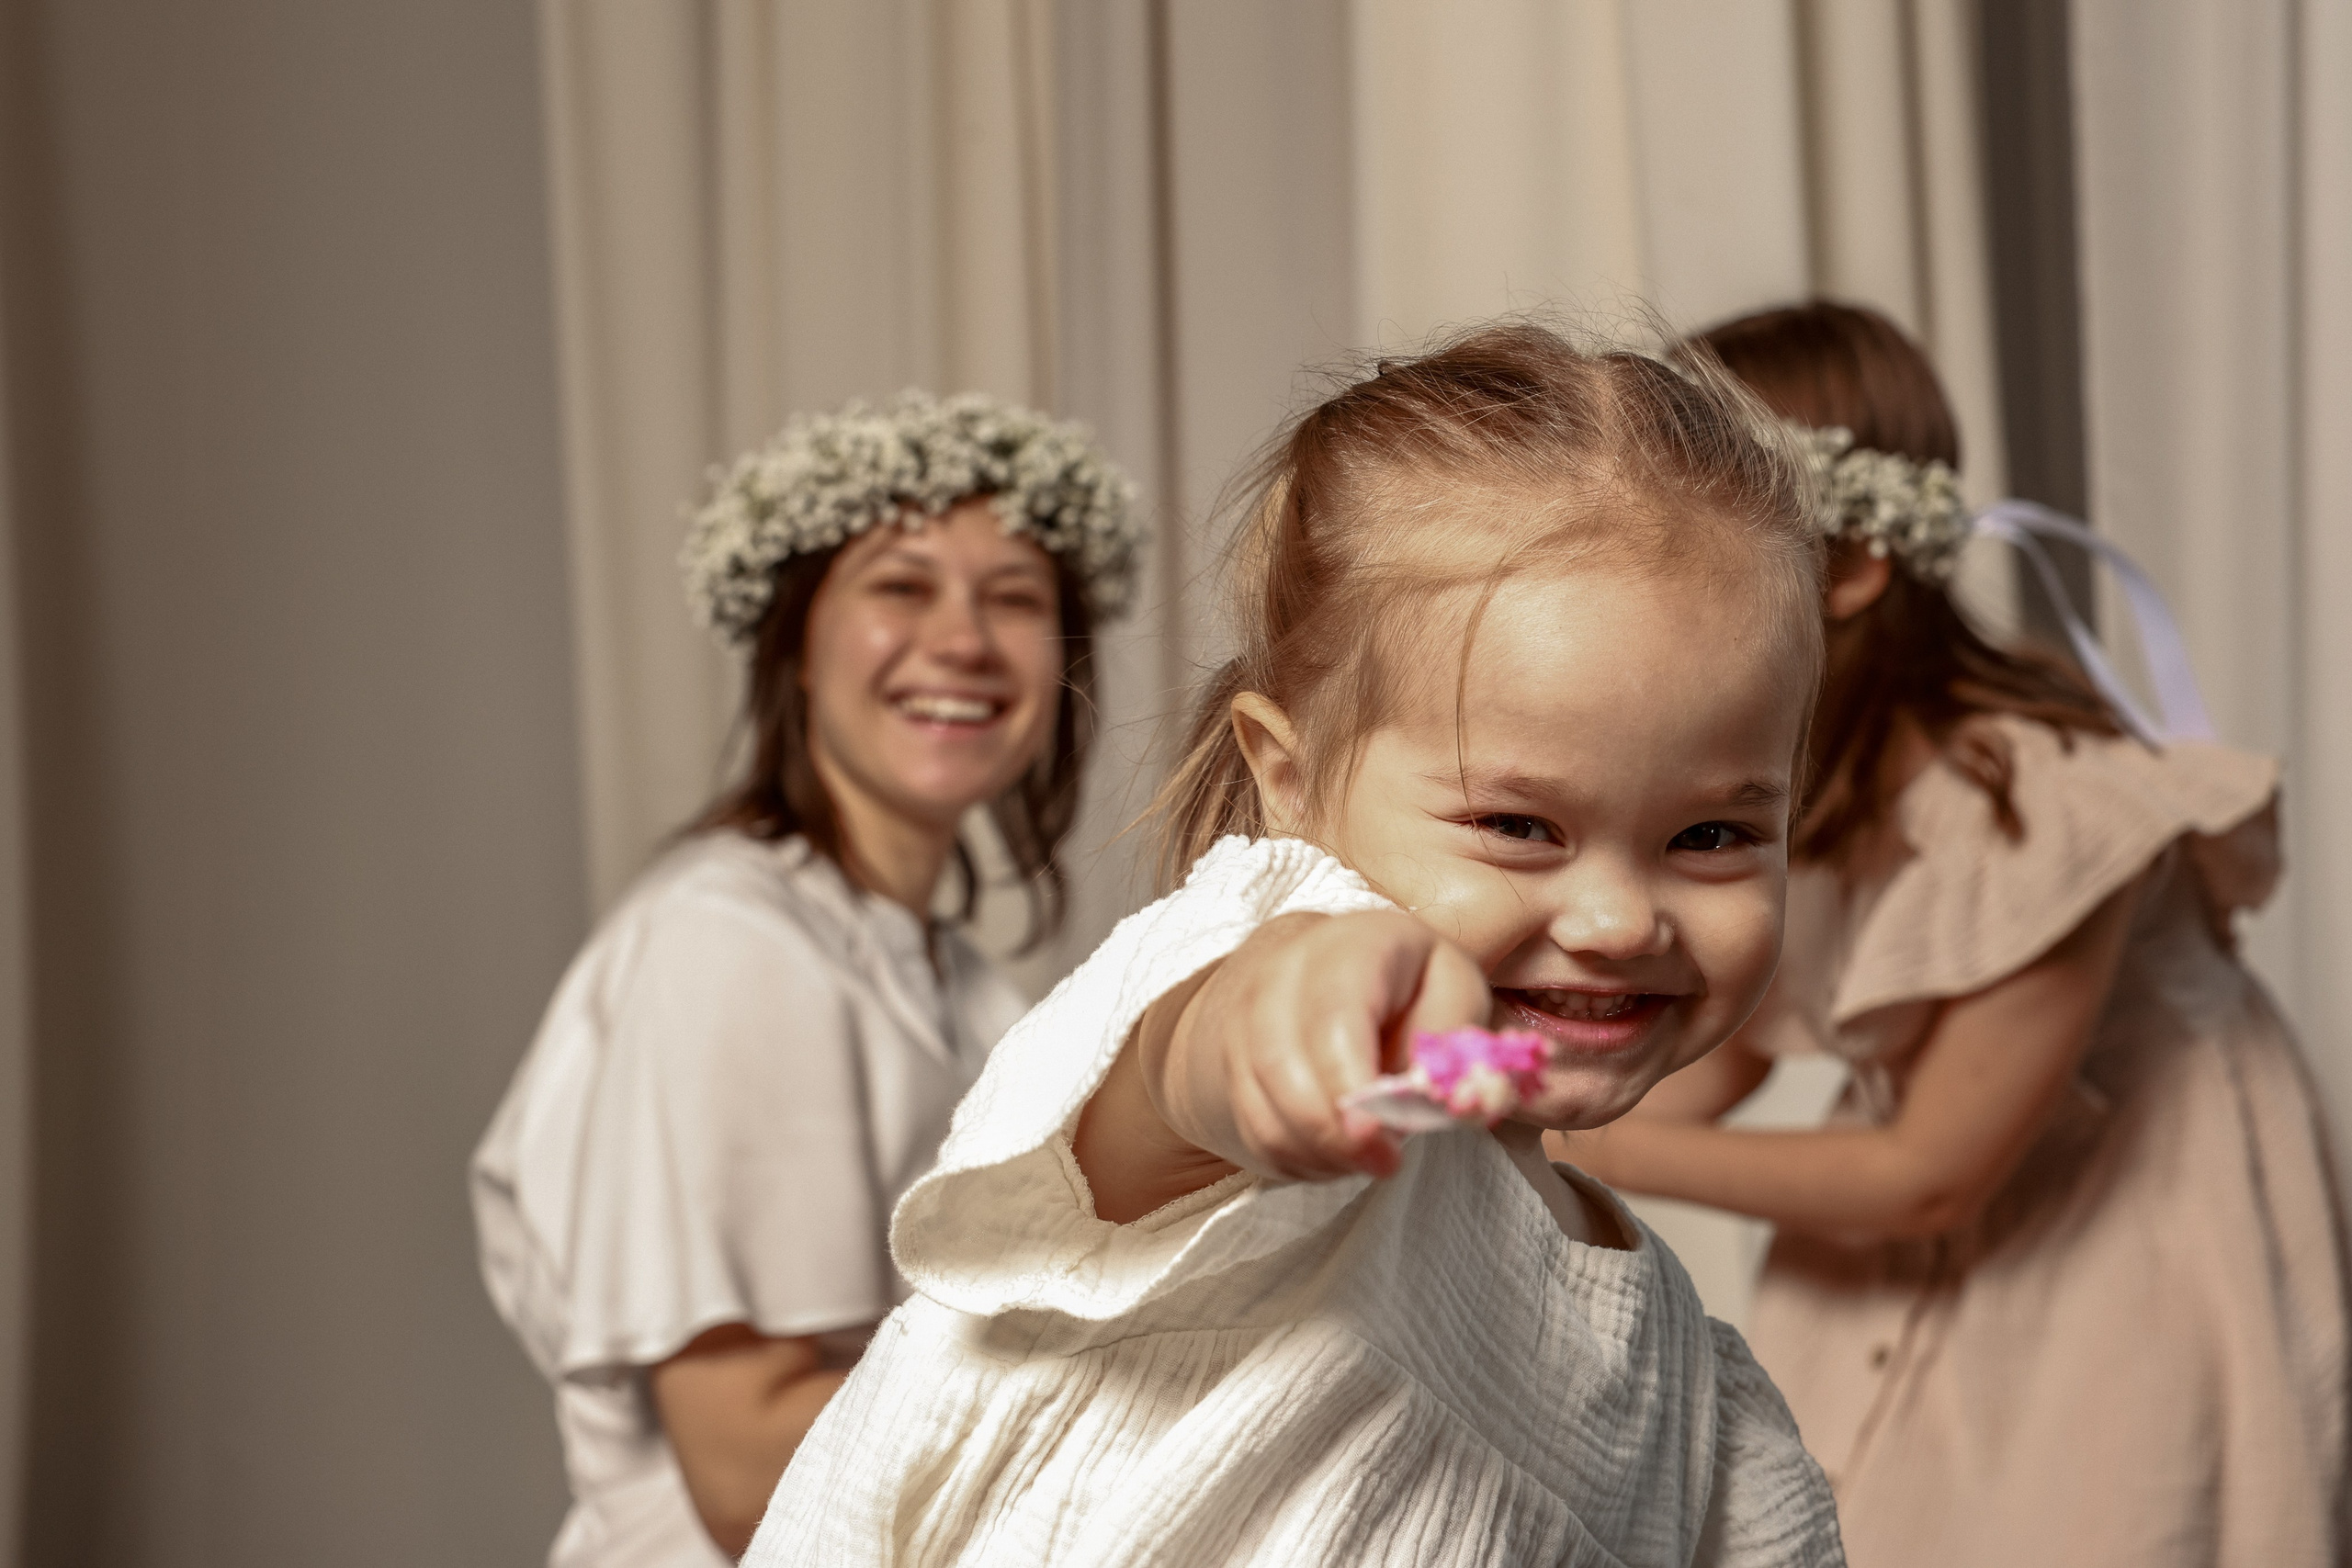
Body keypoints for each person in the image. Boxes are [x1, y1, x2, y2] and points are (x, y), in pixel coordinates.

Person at [741, 323, 1848, 1566]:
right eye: (1518, 825)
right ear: (1291, 779)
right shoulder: (1258, 994)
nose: (1616, 919)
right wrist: (1272, 1015)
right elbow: (1160, 1084)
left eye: (1709, 834)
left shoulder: (1697, 1400)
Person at [1556, 301, 2350, 1566]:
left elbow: (1931, 1166)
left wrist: (1600, 1156)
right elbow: (1728, 1059)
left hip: (2116, 1256)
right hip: (1916, 1252)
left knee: (2099, 1512)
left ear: (1857, 565)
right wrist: (1529, 1110)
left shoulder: (2035, 800)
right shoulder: (1801, 792)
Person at [470, 392, 1141, 1566]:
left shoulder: (966, 986)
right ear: (795, 641)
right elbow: (742, 1467)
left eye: (1016, 597)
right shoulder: (729, 942)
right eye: (900, 584)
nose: (965, 639)